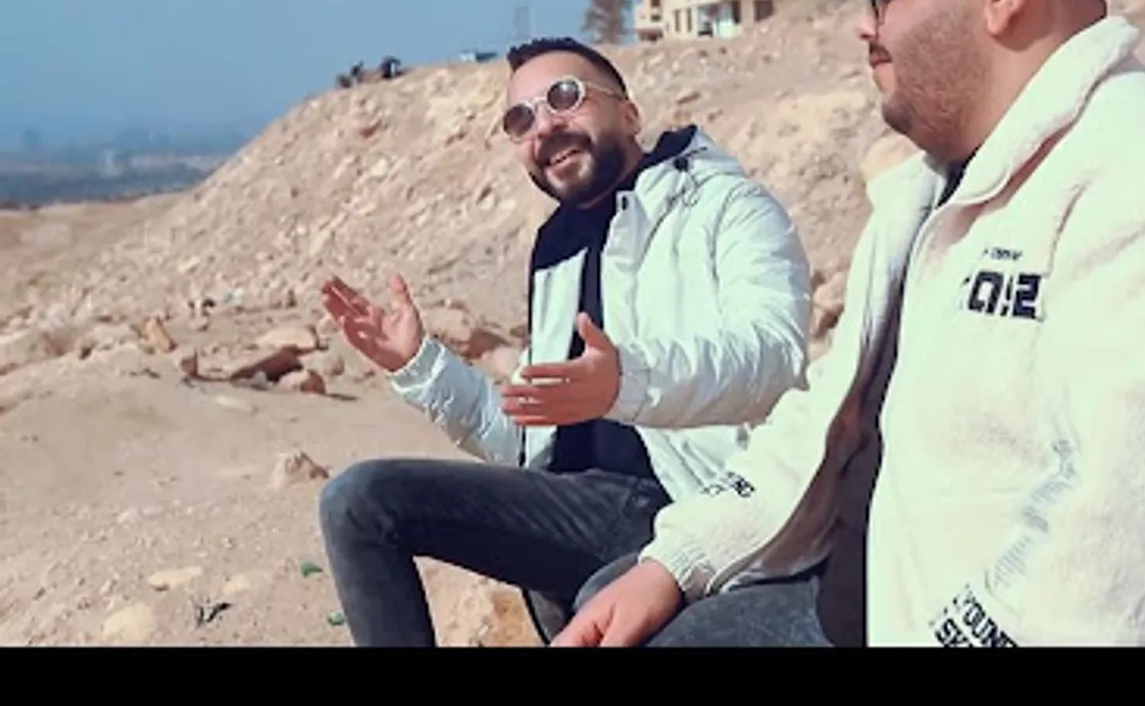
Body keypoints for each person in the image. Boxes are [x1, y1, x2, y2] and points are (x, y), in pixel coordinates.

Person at [552, 0, 1145, 648]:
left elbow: (1097, 606)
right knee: (614, 597)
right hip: (863, 606)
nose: (865, 26)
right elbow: (825, 416)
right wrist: (677, 560)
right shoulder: (927, 194)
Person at [315, 35, 814, 646]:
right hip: (584, 508)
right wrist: (420, 365)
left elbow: (774, 355)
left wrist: (629, 381)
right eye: (520, 119)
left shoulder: (725, 206)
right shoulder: (558, 247)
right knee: (357, 502)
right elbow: (529, 438)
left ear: (629, 113)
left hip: (700, 499)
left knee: (600, 598)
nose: (545, 127)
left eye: (565, 97)